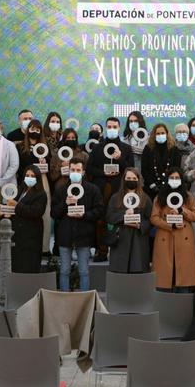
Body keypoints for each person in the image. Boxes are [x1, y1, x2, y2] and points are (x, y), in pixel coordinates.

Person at [51, 158, 103, 291]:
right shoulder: (60, 190)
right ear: (68, 171)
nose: (75, 172)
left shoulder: (92, 189)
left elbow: (99, 210)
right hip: (65, 236)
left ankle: (85, 300)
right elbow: (54, 213)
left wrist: (84, 214)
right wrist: (65, 204)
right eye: (72, 170)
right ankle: (64, 299)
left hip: (84, 235)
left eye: (78, 170)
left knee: (84, 271)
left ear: (83, 172)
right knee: (64, 271)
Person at [88, 117, 132, 262]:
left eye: (115, 126)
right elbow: (89, 168)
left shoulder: (126, 148)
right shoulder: (97, 147)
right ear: (106, 128)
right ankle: (101, 250)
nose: (112, 129)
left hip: (119, 188)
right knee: (100, 220)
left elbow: (131, 170)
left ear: (119, 128)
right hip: (101, 189)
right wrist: (103, 173)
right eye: (109, 126)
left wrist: (120, 159)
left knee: (118, 219)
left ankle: (119, 250)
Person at [150, 167, 195, 292]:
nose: (174, 180)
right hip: (165, 237)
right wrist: (169, 225)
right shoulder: (159, 197)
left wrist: (183, 211)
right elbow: (154, 218)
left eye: (177, 178)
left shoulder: (188, 196)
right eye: (172, 178)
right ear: (167, 180)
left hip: (184, 238)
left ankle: (182, 305)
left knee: (183, 276)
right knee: (164, 277)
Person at [105, 168, 152, 274]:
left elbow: (150, 220)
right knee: (120, 274)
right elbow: (109, 217)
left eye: (134, 178)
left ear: (138, 180)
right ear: (124, 180)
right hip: (120, 241)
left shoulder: (145, 198)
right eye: (129, 178)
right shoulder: (115, 197)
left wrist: (140, 225)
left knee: (137, 274)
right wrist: (124, 215)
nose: (131, 180)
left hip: (138, 242)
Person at [17, 119, 53, 254]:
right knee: (25, 210)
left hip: (42, 181)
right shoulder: (20, 146)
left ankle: (44, 248)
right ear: (28, 130)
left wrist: (44, 163)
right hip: (26, 181)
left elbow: (49, 166)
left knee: (45, 213)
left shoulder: (45, 146)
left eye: (38, 130)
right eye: (32, 129)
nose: (35, 132)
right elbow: (19, 167)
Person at [7, 165, 48, 273]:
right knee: (17, 265)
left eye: (32, 176)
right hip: (17, 235)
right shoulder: (20, 190)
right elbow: (12, 207)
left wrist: (16, 206)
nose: (29, 178)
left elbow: (35, 212)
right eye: (27, 175)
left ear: (37, 178)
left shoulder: (41, 194)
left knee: (29, 265)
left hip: (31, 237)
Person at [141, 124, 182, 201]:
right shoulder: (148, 149)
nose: (160, 135)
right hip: (151, 189)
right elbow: (144, 169)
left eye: (162, 133)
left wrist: (169, 184)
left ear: (167, 134)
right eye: (158, 133)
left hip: (170, 188)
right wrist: (152, 184)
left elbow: (177, 169)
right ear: (154, 135)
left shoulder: (174, 149)